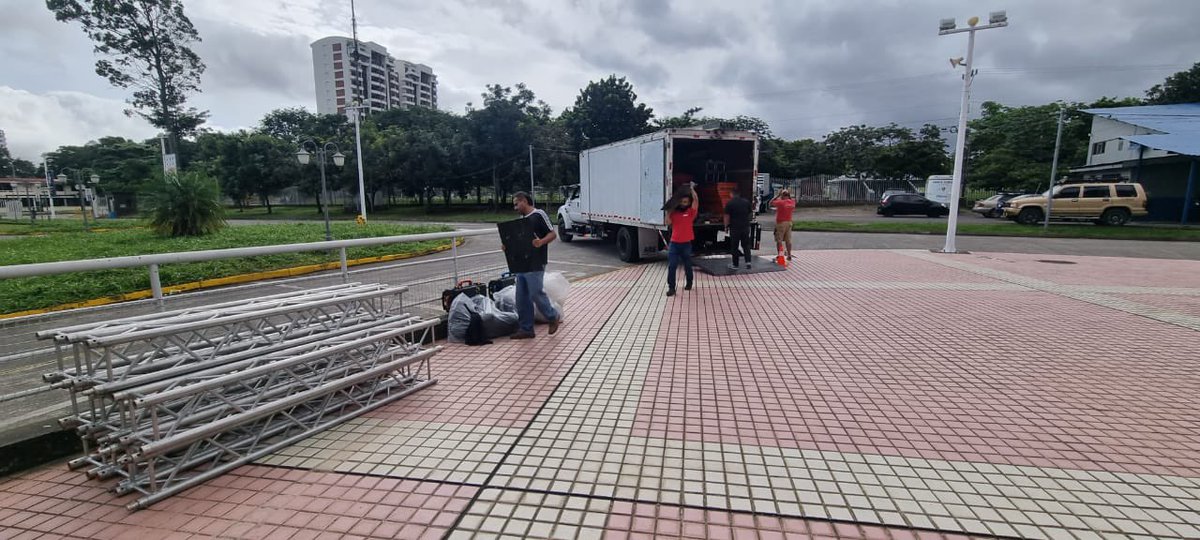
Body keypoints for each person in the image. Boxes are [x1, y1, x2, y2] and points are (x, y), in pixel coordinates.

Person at [507, 192, 561, 339]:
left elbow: (552, 234)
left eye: (516, 204)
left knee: (535, 292)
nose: (515, 207)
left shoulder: (539, 214)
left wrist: (541, 242)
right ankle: (526, 329)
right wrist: (508, 246)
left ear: (524, 201)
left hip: (536, 261)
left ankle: (552, 316)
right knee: (521, 297)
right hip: (522, 263)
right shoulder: (521, 220)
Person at [662, 184, 698, 297]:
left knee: (688, 265)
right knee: (672, 265)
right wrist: (668, 213)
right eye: (682, 202)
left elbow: (696, 201)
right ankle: (671, 288)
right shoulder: (674, 213)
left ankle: (689, 282)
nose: (684, 204)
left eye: (686, 202)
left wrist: (692, 190)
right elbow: (667, 222)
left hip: (686, 244)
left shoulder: (690, 213)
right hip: (674, 244)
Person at [724, 187, 754, 270]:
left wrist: (726, 226)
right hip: (745, 227)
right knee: (746, 245)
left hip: (735, 228)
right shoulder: (746, 202)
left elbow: (727, 216)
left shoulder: (730, 203)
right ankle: (748, 262)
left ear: (732, 194)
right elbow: (750, 213)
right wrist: (748, 221)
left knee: (734, 246)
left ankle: (735, 264)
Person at [769, 188, 796, 261]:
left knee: (779, 240)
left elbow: (770, 203)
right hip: (789, 222)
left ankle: (780, 256)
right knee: (788, 240)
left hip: (780, 223)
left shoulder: (780, 202)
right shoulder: (792, 202)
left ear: (782, 195)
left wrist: (777, 195)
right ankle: (789, 255)